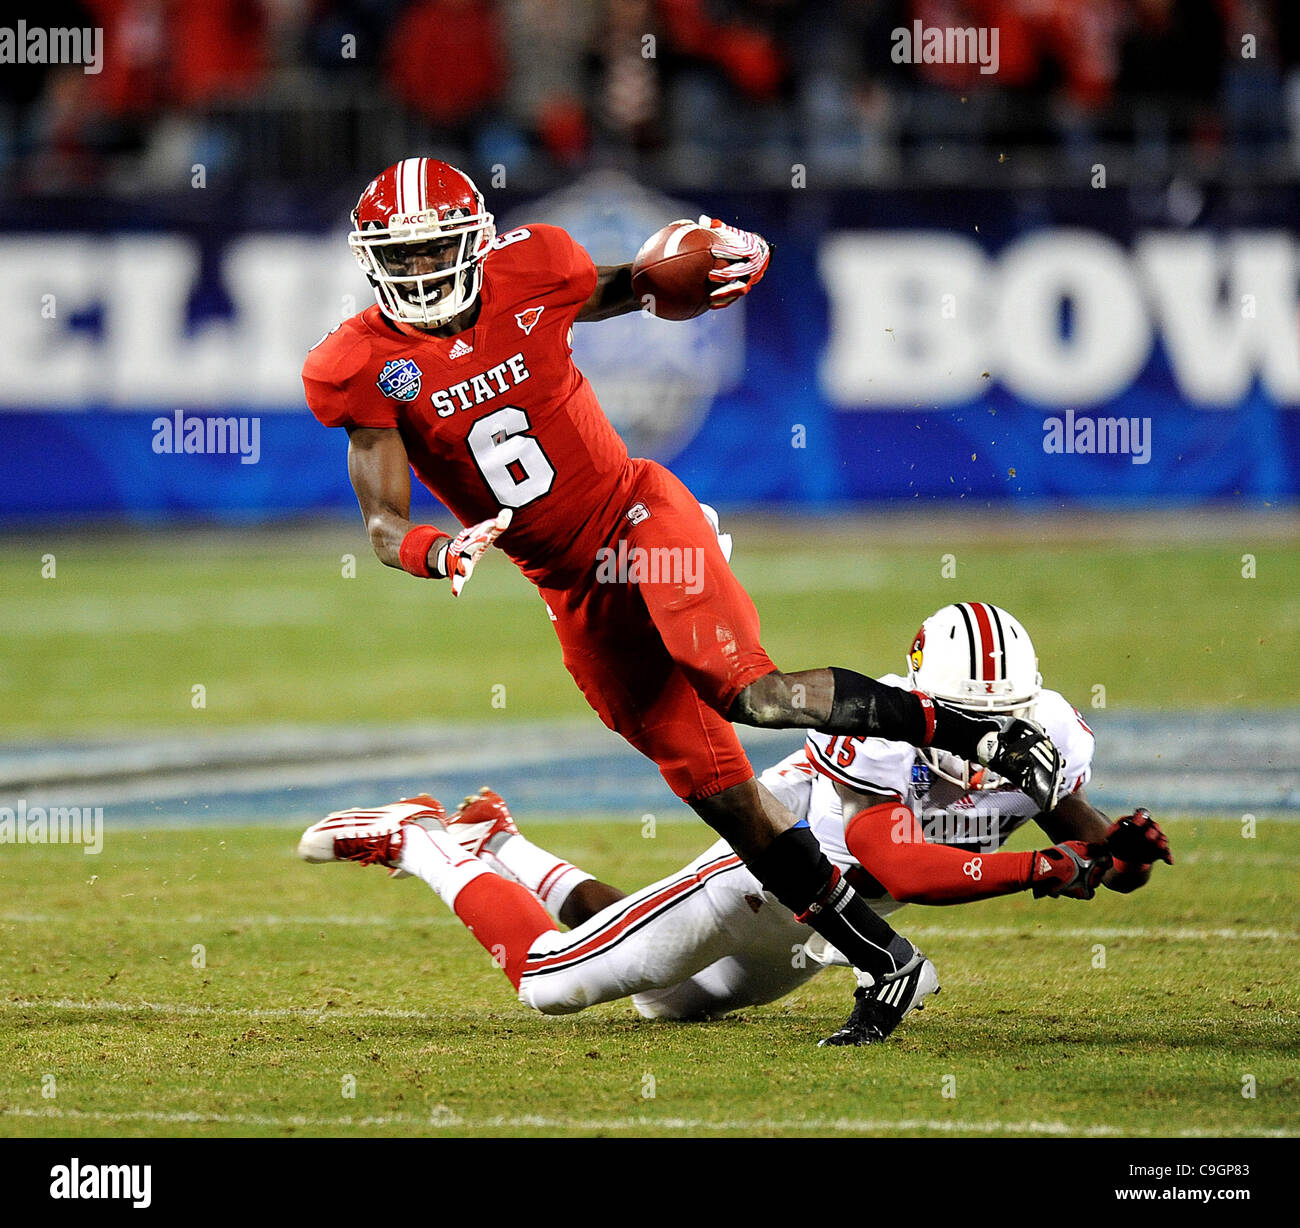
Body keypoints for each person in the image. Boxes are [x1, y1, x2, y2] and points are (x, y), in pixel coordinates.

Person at [301, 157, 1065, 1041]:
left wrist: (709, 264)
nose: (424, 274)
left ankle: (981, 734)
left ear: (476, 241)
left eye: (438, 252)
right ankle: (886, 959)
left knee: (755, 693)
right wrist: (440, 551)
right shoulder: (359, 362)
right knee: (726, 797)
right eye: (404, 258)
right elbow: (384, 523)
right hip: (573, 595)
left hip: (637, 517)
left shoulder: (534, 265)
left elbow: (629, 284)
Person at [298, 603, 1171, 1043]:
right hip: (755, 883)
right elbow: (896, 864)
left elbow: (1084, 837)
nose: (988, 740)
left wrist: (1116, 855)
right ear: (919, 702)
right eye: (962, 716)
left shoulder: (1049, 732)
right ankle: (421, 838)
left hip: (822, 935)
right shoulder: (875, 725)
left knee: (662, 1002)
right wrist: (1047, 872)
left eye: (1005, 715)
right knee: (550, 986)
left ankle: (503, 846)